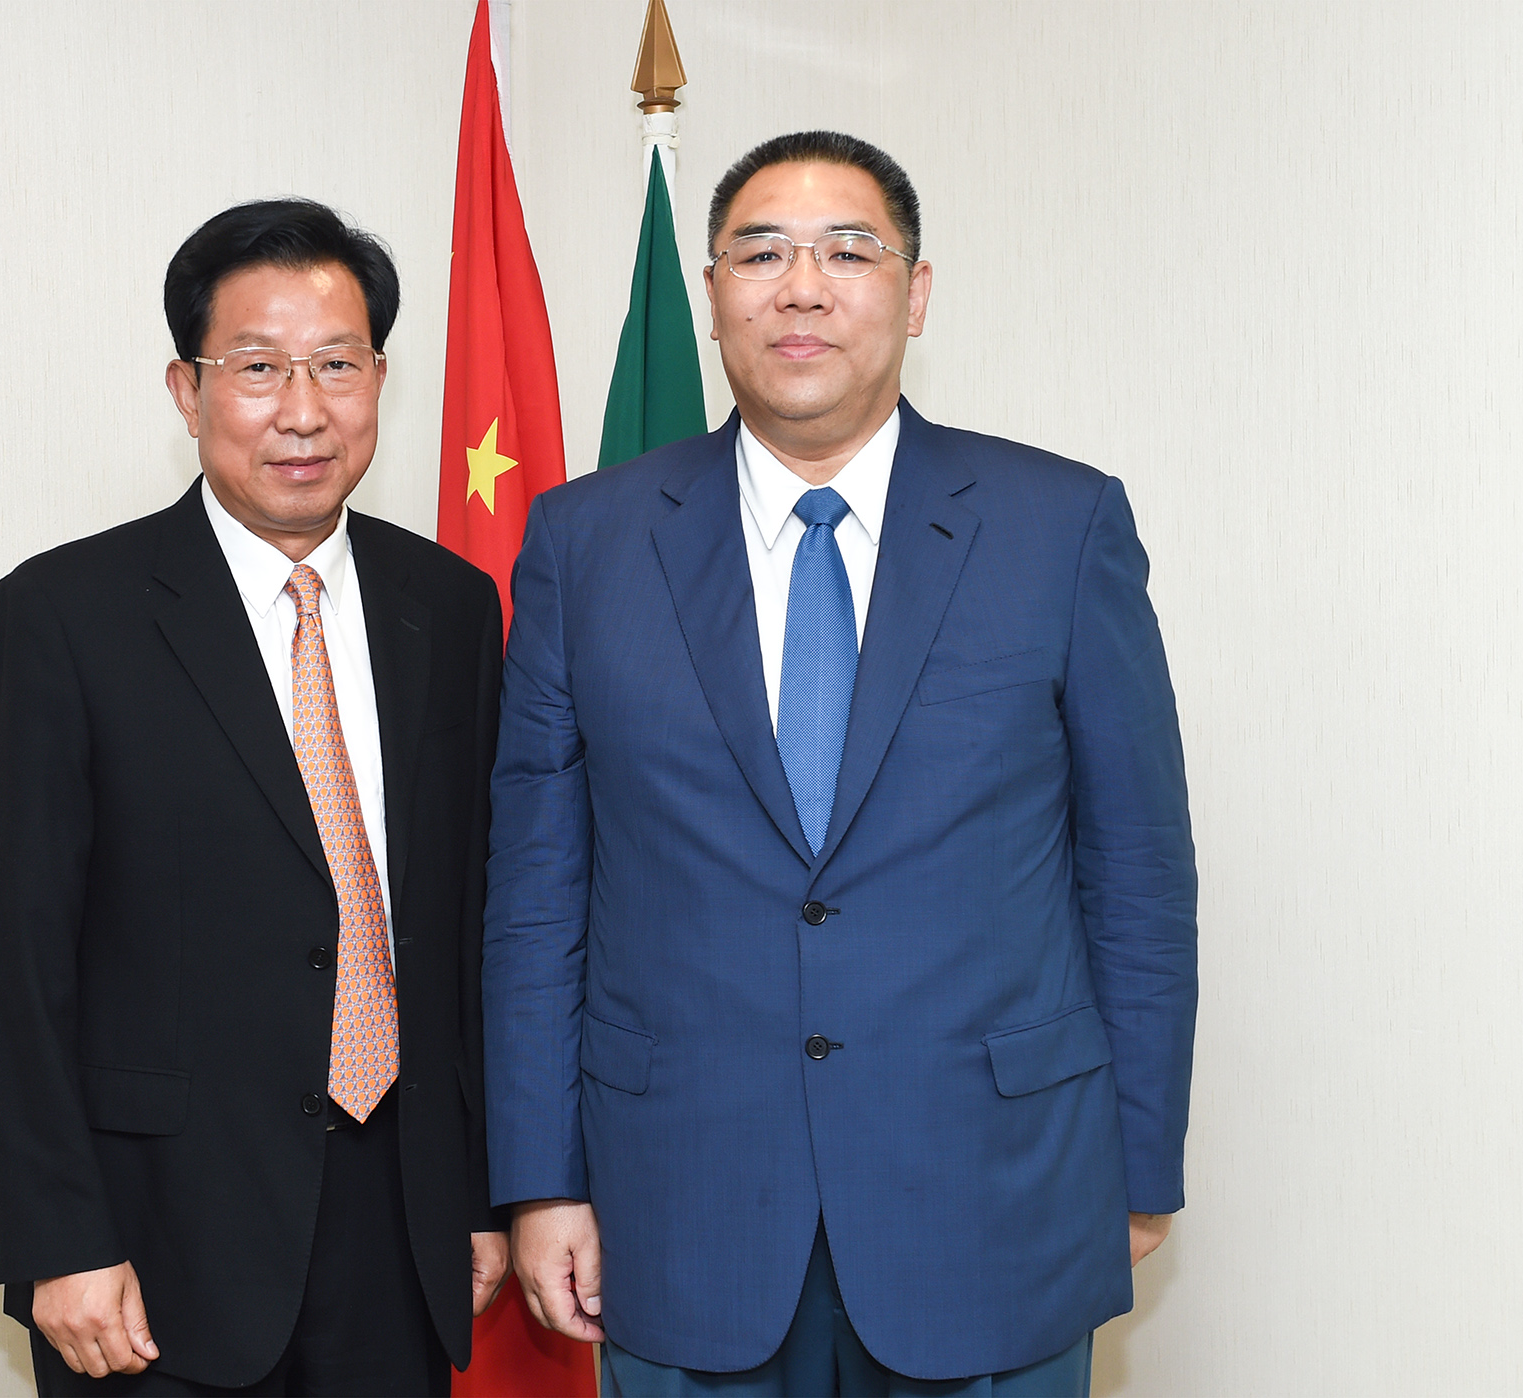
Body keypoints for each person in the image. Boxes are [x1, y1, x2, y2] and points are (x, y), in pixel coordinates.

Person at [484, 131, 1198, 1396]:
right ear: (712, 294)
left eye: (848, 253)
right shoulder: (585, 541)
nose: (802, 288)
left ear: (915, 294)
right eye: (761, 254)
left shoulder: (1059, 524)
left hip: (999, 1194)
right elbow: (538, 894)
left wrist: (1139, 1162)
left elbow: (1135, 869)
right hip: (678, 1202)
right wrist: (542, 1181)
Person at [0, 199, 509, 1397]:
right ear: (186, 390)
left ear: (380, 380)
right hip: (157, 1243)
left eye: (337, 365)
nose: (303, 410)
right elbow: (9, 959)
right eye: (257, 368)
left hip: (400, 1229)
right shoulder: (65, 616)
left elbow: (466, 922)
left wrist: (474, 1191)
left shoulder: (451, 607)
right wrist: (58, 1238)